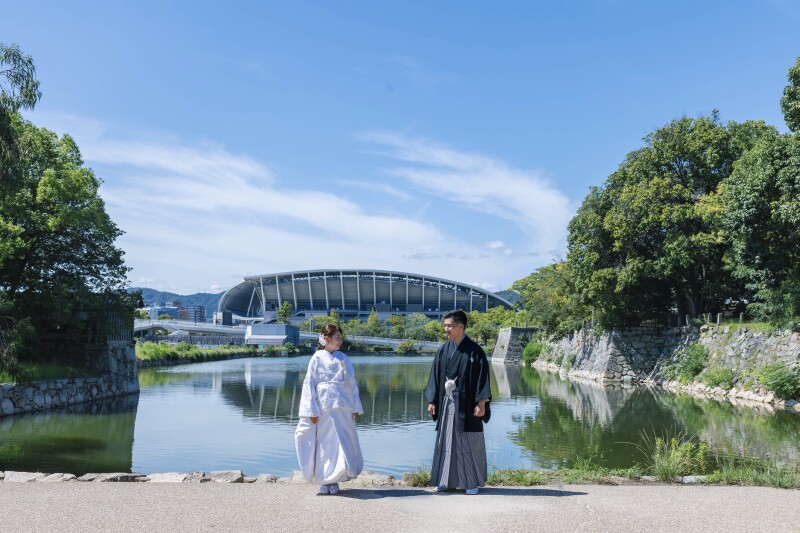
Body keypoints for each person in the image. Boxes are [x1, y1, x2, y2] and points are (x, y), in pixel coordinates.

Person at [425, 309, 491, 495]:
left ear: (460, 326)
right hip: (447, 402)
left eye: (449, 326)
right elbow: (435, 378)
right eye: (445, 325)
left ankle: (471, 482)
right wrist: (432, 400)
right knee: (446, 442)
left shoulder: (475, 351)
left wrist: (482, 403)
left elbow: (482, 379)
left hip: (468, 405)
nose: (446, 329)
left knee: (469, 442)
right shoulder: (443, 350)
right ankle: (445, 481)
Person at [295, 323, 364, 495]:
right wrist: (311, 410)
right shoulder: (317, 358)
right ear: (327, 339)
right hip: (325, 408)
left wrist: (356, 406)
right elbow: (309, 383)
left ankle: (336, 479)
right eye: (337, 337)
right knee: (326, 444)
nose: (340, 340)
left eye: (341, 337)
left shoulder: (344, 358)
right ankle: (324, 479)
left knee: (342, 443)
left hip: (343, 407)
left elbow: (352, 383)